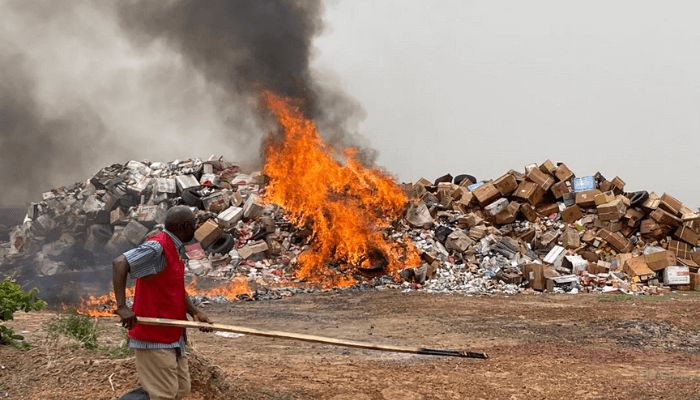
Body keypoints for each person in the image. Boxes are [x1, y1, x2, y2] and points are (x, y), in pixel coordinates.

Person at [113, 206, 212, 400]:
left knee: (180, 390)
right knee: (164, 394)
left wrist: (194, 312)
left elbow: (173, 287)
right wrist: (122, 307)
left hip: (172, 333)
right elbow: (119, 263)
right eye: (193, 225)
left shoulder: (175, 248)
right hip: (154, 335)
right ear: (184, 226)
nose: (195, 229)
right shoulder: (157, 246)